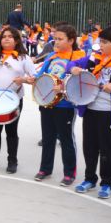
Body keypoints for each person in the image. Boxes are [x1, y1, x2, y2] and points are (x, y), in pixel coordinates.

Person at [67, 25, 111, 199]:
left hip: (108, 112)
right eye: (99, 41)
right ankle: (89, 178)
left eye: (104, 42)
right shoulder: (93, 58)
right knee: (89, 146)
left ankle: (106, 182)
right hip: (90, 109)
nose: (100, 45)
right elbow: (71, 64)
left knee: (106, 149)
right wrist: (73, 68)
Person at [0, 27, 36, 173]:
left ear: (16, 40)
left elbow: (34, 78)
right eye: (4, 36)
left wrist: (23, 79)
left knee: (11, 131)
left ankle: (12, 161)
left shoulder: (23, 58)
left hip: (14, 100)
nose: (7, 38)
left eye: (10, 36)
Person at [34, 24, 85, 186]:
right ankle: (45, 169)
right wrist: (31, 80)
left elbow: (81, 81)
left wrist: (63, 87)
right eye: (54, 38)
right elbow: (41, 76)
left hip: (65, 106)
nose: (55, 41)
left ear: (71, 40)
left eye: (60, 39)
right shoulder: (51, 57)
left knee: (66, 139)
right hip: (47, 103)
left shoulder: (79, 57)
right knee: (48, 137)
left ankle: (69, 172)